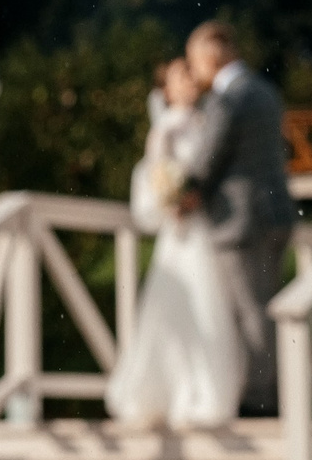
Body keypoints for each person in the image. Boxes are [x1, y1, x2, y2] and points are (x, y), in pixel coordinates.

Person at [106, 57, 248, 429]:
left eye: (189, 74)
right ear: (166, 90)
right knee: (180, 311)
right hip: (180, 235)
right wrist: (170, 201)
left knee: (212, 308)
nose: (188, 82)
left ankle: (209, 394)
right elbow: (153, 180)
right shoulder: (165, 131)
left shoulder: (208, 121)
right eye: (179, 77)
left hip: (207, 230)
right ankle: (170, 394)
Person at [177, 21, 298, 418]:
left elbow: (208, 158)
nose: (196, 72)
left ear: (212, 56)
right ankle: (276, 391)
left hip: (241, 221)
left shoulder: (229, 98)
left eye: (196, 61)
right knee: (266, 307)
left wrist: (183, 190)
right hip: (275, 212)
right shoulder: (265, 91)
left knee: (251, 311)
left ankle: (261, 400)